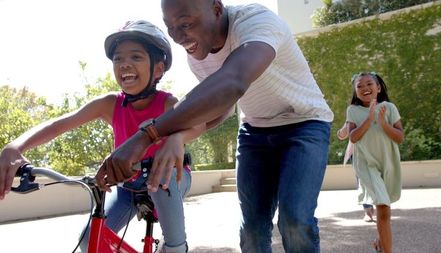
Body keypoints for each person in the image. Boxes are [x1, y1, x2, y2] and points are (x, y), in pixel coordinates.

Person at [85, 1, 334, 252]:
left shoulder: (256, 22)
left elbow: (233, 81)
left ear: (216, 9)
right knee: (251, 229)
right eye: (170, 27)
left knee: (294, 220)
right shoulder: (198, 55)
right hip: (255, 132)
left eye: (185, 24)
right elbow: (220, 108)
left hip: (305, 123)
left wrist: (146, 135)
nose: (178, 37)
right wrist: (178, 136)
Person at [0, 20, 203, 253]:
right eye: (118, 58)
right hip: (129, 186)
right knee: (89, 240)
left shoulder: (167, 103)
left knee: (162, 189)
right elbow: (61, 123)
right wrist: (15, 146)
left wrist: (178, 138)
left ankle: (176, 248)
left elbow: (198, 123)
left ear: (158, 69)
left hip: (168, 181)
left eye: (136, 57)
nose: (125, 64)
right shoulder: (110, 104)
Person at [346, 72, 404, 253]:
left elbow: (400, 137)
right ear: (355, 92)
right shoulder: (353, 111)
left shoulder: (389, 108)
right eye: (360, 86)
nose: (365, 88)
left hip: (388, 163)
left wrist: (382, 122)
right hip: (367, 165)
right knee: (383, 207)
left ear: (378, 88)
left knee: (385, 209)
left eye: (369, 84)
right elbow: (353, 138)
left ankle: (381, 242)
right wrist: (369, 119)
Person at [337, 122, 375, 222]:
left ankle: (379, 208)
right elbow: (342, 135)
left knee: (377, 179)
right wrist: (344, 127)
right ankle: (368, 211)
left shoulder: (377, 110)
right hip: (357, 152)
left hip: (375, 150)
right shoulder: (353, 112)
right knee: (362, 182)